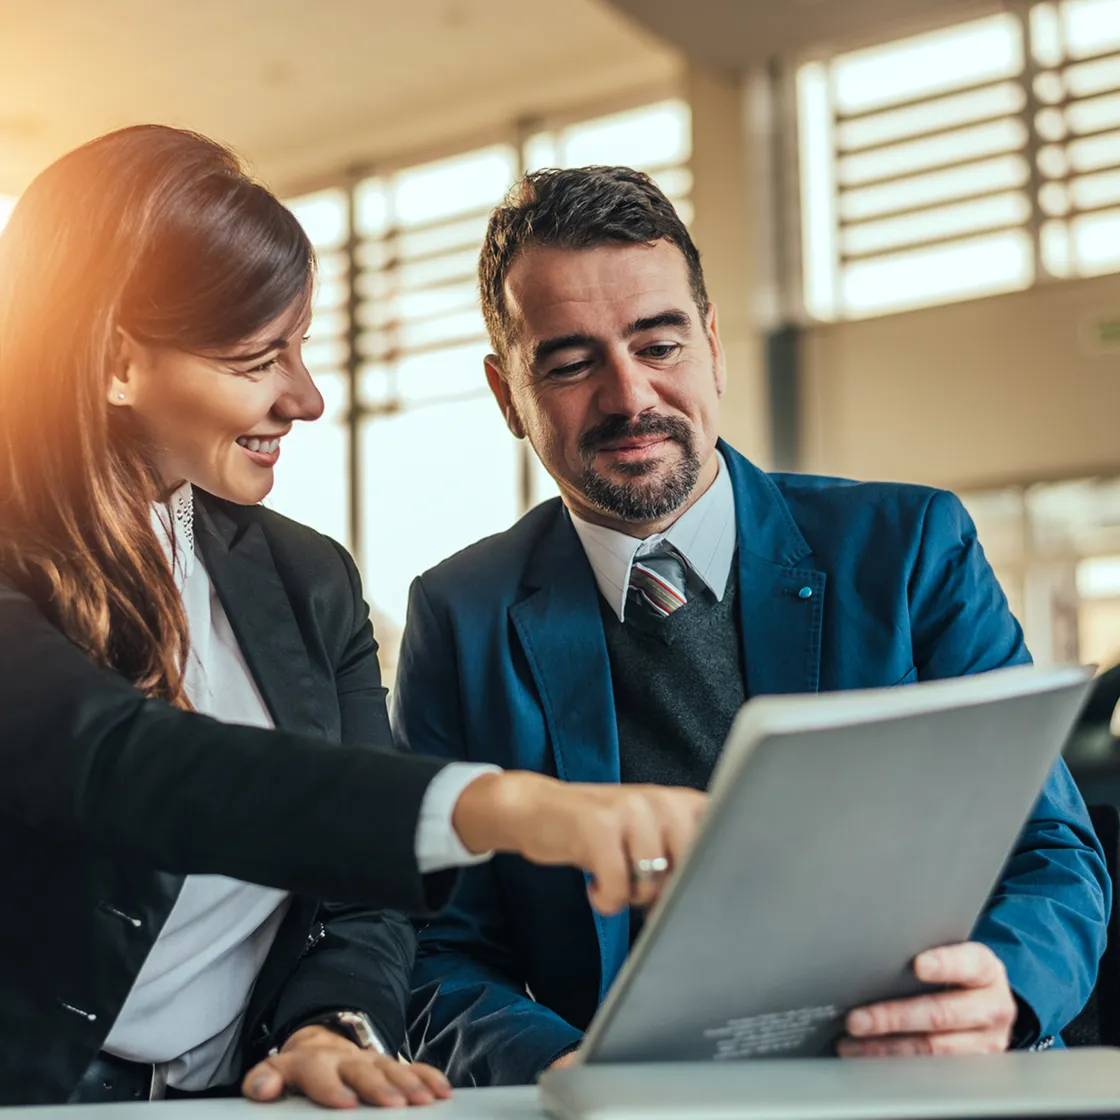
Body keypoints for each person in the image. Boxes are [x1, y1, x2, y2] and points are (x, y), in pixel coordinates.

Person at [0, 131, 707, 1107]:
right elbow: (136, 764)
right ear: (118, 362)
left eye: (299, 346)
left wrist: (328, 1020)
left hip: (243, 1099)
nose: (307, 396)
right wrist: (506, 805)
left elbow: (361, 889)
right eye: (258, 357)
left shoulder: (305, 576)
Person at [394, 166, 1111, 1085]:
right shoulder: (461, 614)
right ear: (506, 397)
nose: (629, 398)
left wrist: (1002, 991)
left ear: (715, 346)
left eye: (660, 345)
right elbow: (437, 949)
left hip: (910, 1082)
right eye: (571, 363)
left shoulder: (908, 550)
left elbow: (1050, 849)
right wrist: (576, 1073)